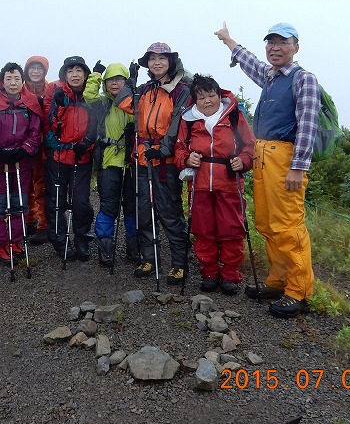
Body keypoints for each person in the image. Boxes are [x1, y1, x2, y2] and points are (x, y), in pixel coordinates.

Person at [214, 22, 320, 318]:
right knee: (266, 222)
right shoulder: (272, 77)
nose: (275, 48)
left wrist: (298, 168)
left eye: (282, 42)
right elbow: (250, 63)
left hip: (285, 158)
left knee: (287, 224)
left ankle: (299, 291)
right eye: (271, 43)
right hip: (263, 155)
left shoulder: (303, 79)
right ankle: (278, 280)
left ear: (296, 47)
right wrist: (228, 40)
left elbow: (308, 125)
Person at [115, 42, 191, 284]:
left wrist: (163, 150)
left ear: (171, 61)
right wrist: (130, 81)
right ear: (147, 63)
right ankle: (148, 257)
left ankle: (179, 263)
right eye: (152, 58)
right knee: (144, 211)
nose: (156, 62)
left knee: (169, 212)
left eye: (162, 58)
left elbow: (178, 122)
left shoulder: (181, 90)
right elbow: (122, 102)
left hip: (165, 160)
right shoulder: (144, 89)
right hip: (142, 157)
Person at [174, 74, 255, 295]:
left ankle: (230, 275)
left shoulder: (234, 116)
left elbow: (250, 146)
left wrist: (244, 161)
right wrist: (186, 159)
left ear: (220, 96)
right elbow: (179, 149)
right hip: (199, 184)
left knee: (232, 229)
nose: (207, 101)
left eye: (211, 95)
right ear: (195, 100)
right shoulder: (188, 120)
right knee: (203, 230)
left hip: (229, 182)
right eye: (201, 97)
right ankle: (209, 272)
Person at [0, 63, 43, 265]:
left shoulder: (30, 103)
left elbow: (35, 132)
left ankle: (16, 240)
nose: (13, 83)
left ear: (22, 81)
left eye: (16, 78)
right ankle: (0, 243)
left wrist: (24, 149)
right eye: (9, 79)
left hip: (22, 163)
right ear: (2, 80)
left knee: (20, 203)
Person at [84, 61, 138, 266]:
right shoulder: (103, 104)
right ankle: (105, 249)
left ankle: (134, 247)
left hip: (132, 162)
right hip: (109, 161)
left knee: (131, 206)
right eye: (110, 80)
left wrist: (133, 83)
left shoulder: (135, 102)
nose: (114, 84)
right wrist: (96, 75)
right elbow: (89, 94)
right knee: (108, 206)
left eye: (119, 79)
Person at [44, 56, 95, 260]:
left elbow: (96, 127)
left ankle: (82, 239)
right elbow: (50, 126)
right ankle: (60, 241)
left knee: (81, 202)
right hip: (58, 158)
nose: (75, 74)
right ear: (65, 75)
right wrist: (59, 107)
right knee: (56, 203)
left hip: (82, 158)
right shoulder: (58, 96)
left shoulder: (91, 99)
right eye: (70, 71)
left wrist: (87, 144)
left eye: (79, 71)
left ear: (85, 75)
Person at [22, 56, 55, 244]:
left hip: (44, 144)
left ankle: (43, 224)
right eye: (32, 68)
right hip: (25, 143)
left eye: (39, 69)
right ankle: (29, 220)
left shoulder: (50, 88)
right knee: (26, 184)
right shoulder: (20, 88)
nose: (36, 72)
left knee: (42, 184)